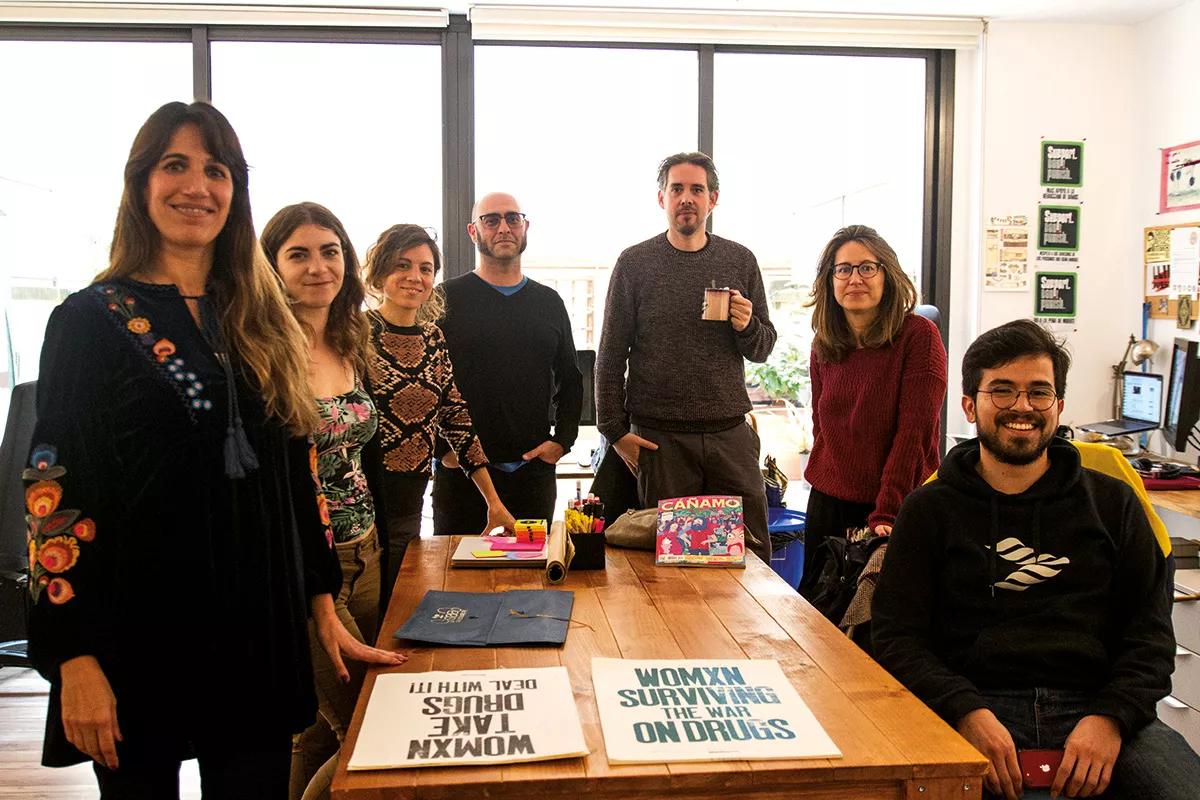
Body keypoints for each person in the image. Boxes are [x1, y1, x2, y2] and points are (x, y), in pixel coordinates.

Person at [23, 102, 402, 800]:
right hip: (138, 634)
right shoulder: (87, 320)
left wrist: (318, 598)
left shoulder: (259, 318)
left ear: (235, 192)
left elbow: (295, 474)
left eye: (215, 169)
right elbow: (54, 490)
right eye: (175, 165)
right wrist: (72, 654)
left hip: (256, 631)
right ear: (141, 183)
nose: (197, 186)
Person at [872, 319, 1200, 800]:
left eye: (1038, 393)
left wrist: (1110, 718)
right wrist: (965, 710)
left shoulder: (1113, 504)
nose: (1021, 407)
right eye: (1001, 391)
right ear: (970, 405)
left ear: (1058, 406)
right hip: (974, 706)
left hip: (1098, 708)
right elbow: (897, 637)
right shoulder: (929, 509)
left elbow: (1149, 638)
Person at [260, 202, 395, 800]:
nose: (318, 267)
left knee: (318, 730)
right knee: (363, 726)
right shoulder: (261, 350)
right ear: (272, 266)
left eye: (330, 251)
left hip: (364, 550)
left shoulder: (349, 337)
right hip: (306, 564)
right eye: (299, 253)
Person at [595, 152, 776, 564]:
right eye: (677, 189)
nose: (686, 198)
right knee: (669, 565)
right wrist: (614, 430)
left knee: (751, 557)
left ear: (713, 199)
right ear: (662, 198)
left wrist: (747, 325)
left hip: (730, 435)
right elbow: (610, 355)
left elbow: (762, 347)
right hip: (661, 441)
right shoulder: (635, 263)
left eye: (697, 189)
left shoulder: (740, 260)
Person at [798, 224, 946, 598]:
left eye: (867, 267)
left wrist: (887, 512)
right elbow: (821, 425)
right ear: (830, 281)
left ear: (888, 275)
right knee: (820, 613)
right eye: (843, 269)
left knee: (877, 623)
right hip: (829, 501)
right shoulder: (825, 343)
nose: (854, 278)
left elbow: (914, 435)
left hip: (891, 506)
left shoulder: (918, 337)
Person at [362, 223, 516, 582]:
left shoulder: (432, 338)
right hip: (357, 505)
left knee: (398, 603)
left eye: (425, 268)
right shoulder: (355, 333)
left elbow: (457, 419)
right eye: (402, 265)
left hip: (409, 502)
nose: (414, 276)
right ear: (381, 271)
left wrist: (494, 503)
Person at [431, 194, 582, 533]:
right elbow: (429, 383)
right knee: (454, 583)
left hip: (531, 475)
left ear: (525, 227)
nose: (503, 228)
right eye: (491, 220)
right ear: (473, 231)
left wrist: (561, 442)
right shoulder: (444, 299)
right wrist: (444, 451)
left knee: (532, 583)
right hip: (462, 476)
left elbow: (570, 380)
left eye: (513, 218)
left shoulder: (548, 302)